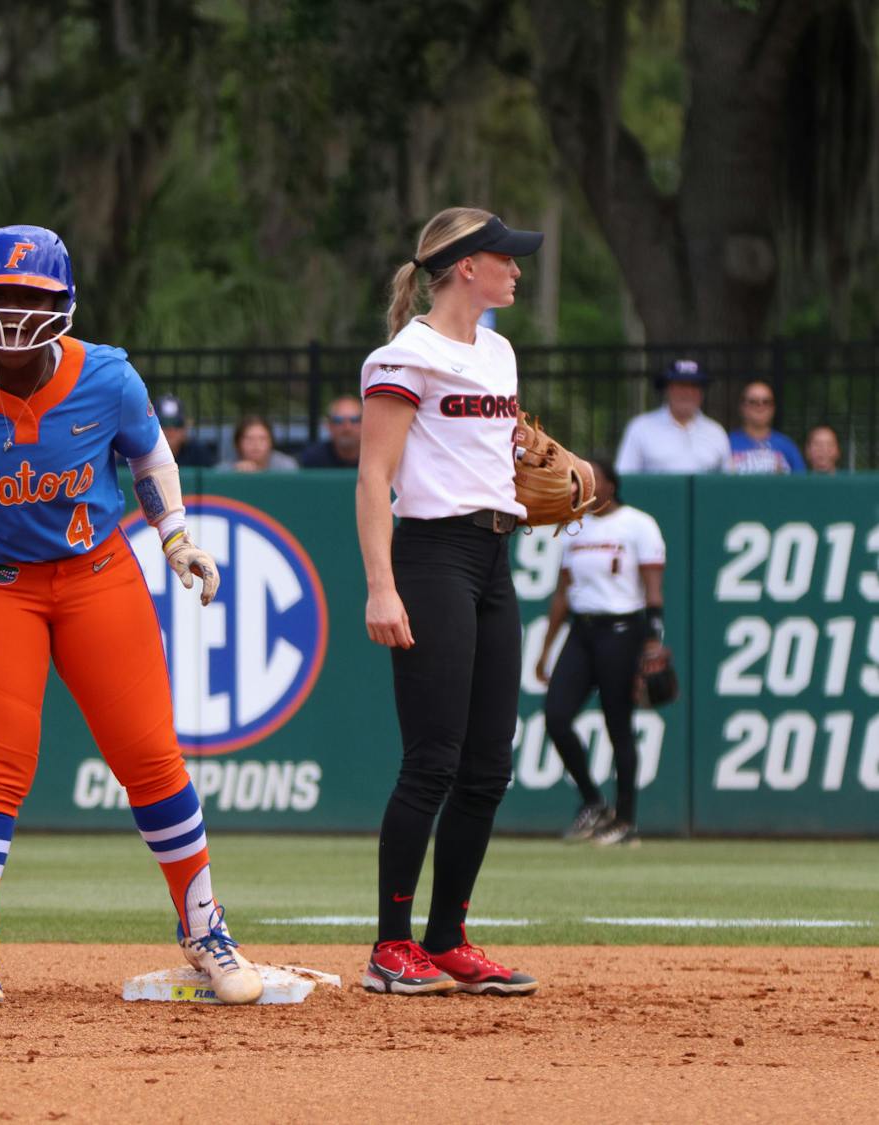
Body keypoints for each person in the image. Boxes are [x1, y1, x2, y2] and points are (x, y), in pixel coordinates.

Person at [0, 223, 262, 1008]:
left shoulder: (107, 376)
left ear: (65, 302)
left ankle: (204, 927)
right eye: (0, 296)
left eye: (32, 296)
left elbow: (149, 456)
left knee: (151, 754)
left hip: (95, 575)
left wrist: (176, 534)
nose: (15, 311)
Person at [356, 206, 543, 998]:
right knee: (432, 759)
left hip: (495, 556)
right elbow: (373, 478)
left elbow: (492, 451)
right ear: (466, 266)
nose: (518, 269)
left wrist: (534, 465)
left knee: (488, 765)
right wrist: (381, 583)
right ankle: (390, 946)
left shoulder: (498, 351)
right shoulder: (406, 355)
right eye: (507, 257)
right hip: (432, 557)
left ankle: (448, 937)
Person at [535, 461, 666, 848]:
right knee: (556, 715)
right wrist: (545, 648)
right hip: (583, 630)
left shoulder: (638, 524)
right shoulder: (575, 525)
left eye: (590, 478)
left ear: (609, 484)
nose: (580, 485)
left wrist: (653, 639)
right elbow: (562, 593)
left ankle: (626, 821)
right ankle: (593, 800)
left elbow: (653, 589)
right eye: (577, 479)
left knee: (617, 725)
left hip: (624, 629)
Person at [614, 359, 731, 474]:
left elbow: (728, 482)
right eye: (681, 386)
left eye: (694, 387)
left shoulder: (716, 431)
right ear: (667, 390)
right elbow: (624, 477)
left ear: (701, 393)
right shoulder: (640, 427)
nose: (687, 393)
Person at [728, 380, 804, 474]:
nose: (760, 406)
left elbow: (800, 484)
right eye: (753, 402)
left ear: (773, 408)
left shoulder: (787, 446)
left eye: (766, 402)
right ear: (743, 407)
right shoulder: (727, 444)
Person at [217, 414, 299, 472]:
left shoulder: (286, 467)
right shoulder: (225, 471)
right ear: (237, 443)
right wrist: (235, 474)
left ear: (271, 442)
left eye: (262, 439)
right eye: (249, 439)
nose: (256, 444)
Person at [300, 395, 364, 468]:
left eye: (354, 420)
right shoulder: (311, 459)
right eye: (338, 420)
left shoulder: (375, 457)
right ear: (329, 425)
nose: (347, 428)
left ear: (365, 423)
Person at [153, 394, 216, 467]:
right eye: (163, 423)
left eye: (177, 423)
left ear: (185, 427)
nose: (171, 429)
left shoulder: (199, 453)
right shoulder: (142, 454)